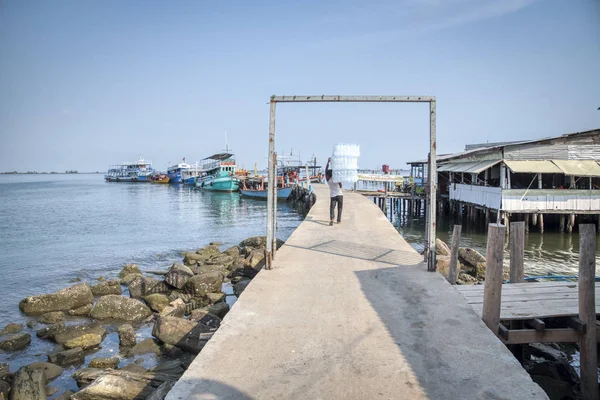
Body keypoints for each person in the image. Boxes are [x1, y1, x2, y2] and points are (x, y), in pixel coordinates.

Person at [325, 157, 343, 226]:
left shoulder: (328, 180)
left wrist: (328, 163)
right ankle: (339, 220)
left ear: (328, 175)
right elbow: (341, 186)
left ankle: (332, 219)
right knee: (340, 208)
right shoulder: (336, 179)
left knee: (332, 208)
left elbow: (325, 171)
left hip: (333, 195)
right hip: (340, 195)